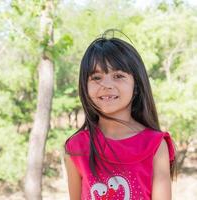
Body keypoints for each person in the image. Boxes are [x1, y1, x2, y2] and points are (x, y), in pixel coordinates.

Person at [64, 30, 177, 200]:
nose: (106, 84)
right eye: (96, 77)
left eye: (118, 76)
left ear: (136, 85)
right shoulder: (76, 148)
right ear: (84, 86)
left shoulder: (155, 145)